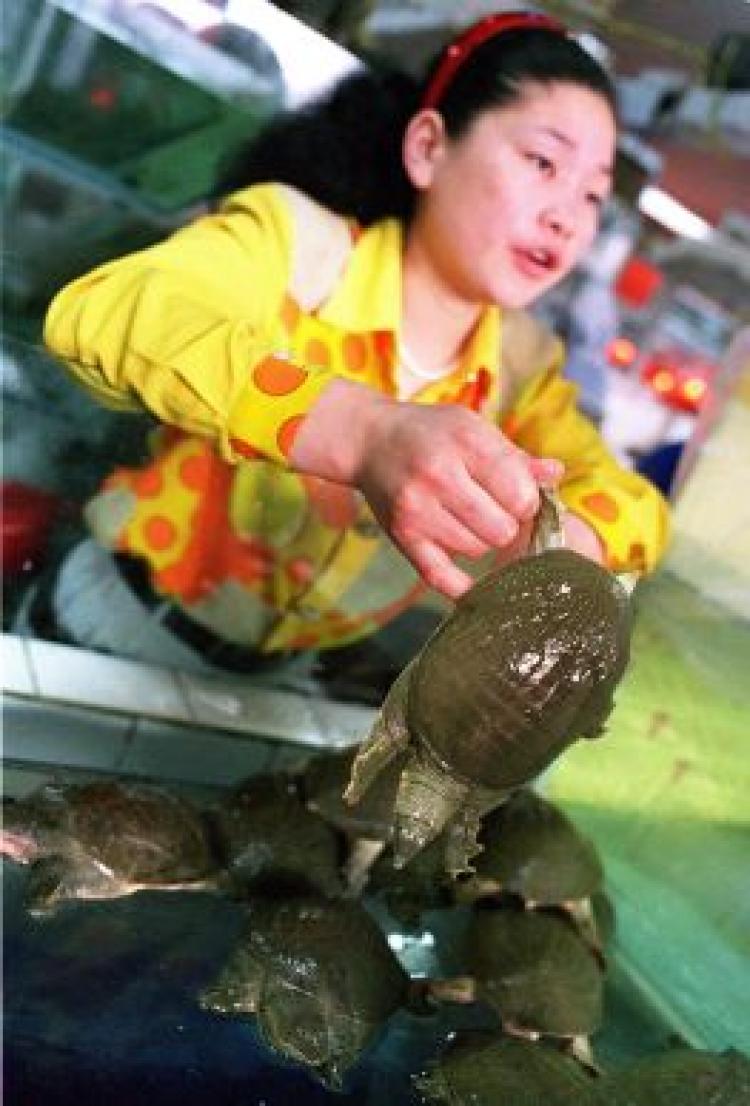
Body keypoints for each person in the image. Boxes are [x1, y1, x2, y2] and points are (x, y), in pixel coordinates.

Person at [36, 10, 669, 685]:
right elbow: (104, 315)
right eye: (543, 162)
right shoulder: (294, 245)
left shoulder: (522, 368)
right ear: (428, 147)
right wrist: (363, 433)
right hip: (111, 631)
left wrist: (570, 544)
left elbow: (635, 501)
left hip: (277, 682)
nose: (566, 216)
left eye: (594, 194)